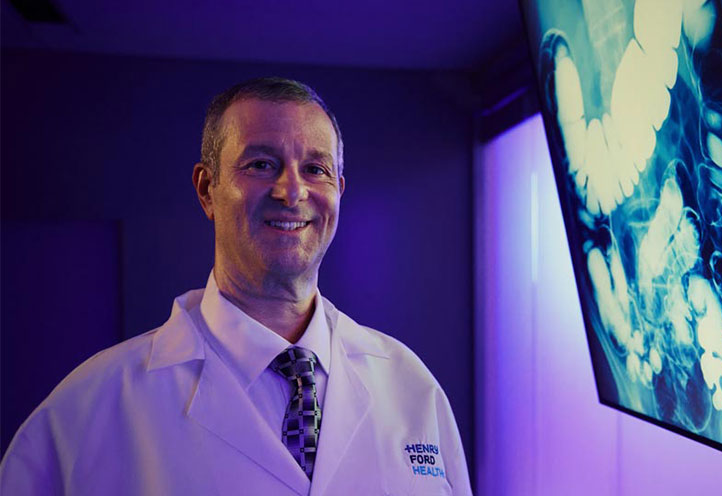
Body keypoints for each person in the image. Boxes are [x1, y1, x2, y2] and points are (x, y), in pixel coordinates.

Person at [0, 77, 472, 495]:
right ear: (207, 189)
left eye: (316, 169)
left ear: (338, 193)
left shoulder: (409, 388)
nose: (292, 192)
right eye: (261, 164)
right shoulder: (90, 409)